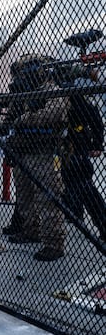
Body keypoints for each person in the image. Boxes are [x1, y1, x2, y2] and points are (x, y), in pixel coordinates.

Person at [6, 54, 69, 261]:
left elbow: (55, 113)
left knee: (47, 200)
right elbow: (10, 119)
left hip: (44, 153)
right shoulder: (25, 92)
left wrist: (25, 119)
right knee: (24, 198)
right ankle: (30, 231)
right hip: (23, 151)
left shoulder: (52, 90)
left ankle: (53, 243)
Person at [61, 92, 105, 242]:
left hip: (76, 147)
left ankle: (103, 225)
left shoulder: (76, 96)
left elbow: (94, 118)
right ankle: (74, 212)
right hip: (62, 147)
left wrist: (97, 144)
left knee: (83, 186)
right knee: (66, 184)